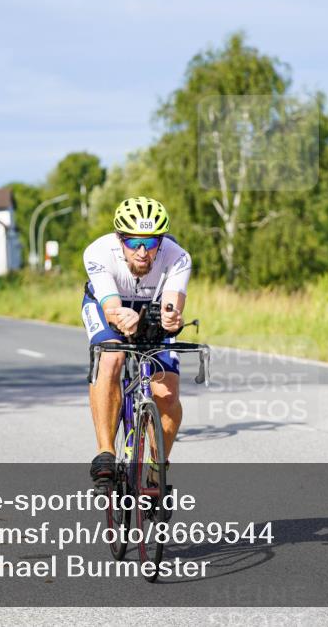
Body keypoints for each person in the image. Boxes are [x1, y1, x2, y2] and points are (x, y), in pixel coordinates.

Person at [82, 197, 191, 487]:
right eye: (133, 243)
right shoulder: (98, 252)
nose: (142, 252)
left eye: (151, 242)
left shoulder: (178, 256)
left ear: (161, 240)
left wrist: (171, 318)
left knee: (166, 392)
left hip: (151, 308)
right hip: (108, 306)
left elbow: (172, 304)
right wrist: (122, 317)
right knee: (111, 357)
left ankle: (157, 466)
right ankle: (105, 453)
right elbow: (111, 308)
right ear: (120, 239)